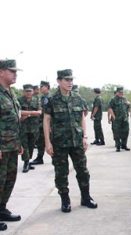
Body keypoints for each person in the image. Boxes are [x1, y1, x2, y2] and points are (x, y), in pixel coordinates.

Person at [43, 69, 97, 213]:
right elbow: (46, 120)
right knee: (61, 172)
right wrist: (47, 143)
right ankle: (65, 200)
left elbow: (82, 118)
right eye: (66, 80)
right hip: (59, 143)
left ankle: (86, 197)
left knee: (83, 171)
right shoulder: (52, 100)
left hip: (77, 141)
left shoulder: (78, 98)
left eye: (71, 80)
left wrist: (85, 137)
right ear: (59, 81)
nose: (70, 82)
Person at [0, 59, 23, 231]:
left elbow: (15, 119)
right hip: (1, 147)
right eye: (11, 71)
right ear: (1, 72)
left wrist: (19, 142)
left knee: (9, 179)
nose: (15, 74)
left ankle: (1, 209)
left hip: (12, 146)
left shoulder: (11, 93)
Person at [18, 84, 41, 172]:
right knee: (25, 145)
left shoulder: (37, 99)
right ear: (24, 92)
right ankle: (26, 163)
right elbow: (18, 112)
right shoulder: (19, 100)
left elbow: (39, 112)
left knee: (31, 145)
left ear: (33, 91)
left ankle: (28, 160)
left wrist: (27, 114)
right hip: (23, 127)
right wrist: (32, 112)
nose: (28, 93)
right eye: (26, 91)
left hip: (34, 127)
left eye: (30, 91)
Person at [31, 80, 51, 165]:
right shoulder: (42, 97)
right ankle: (40, 157)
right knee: (40, 141)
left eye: (42, 86)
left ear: (47, 87)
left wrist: (50, 126)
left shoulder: (50, 97)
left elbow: (51, 114)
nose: (40, 88)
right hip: (41, 123)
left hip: (48, 124)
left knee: (52, 141)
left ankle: (56, 158)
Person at [108, 86, 130, 152]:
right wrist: (113, 116)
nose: (121, 93)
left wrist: (128, 113)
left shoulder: (124, 99)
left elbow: (128, 106)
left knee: (126, 131)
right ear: (117, 92)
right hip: (117, 119)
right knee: (117, 133)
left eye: (122, 92)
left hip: (124, 119)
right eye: (120, 92)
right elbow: (110, 108)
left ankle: (124, 145)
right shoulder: (113, 99)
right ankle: (118, 146)